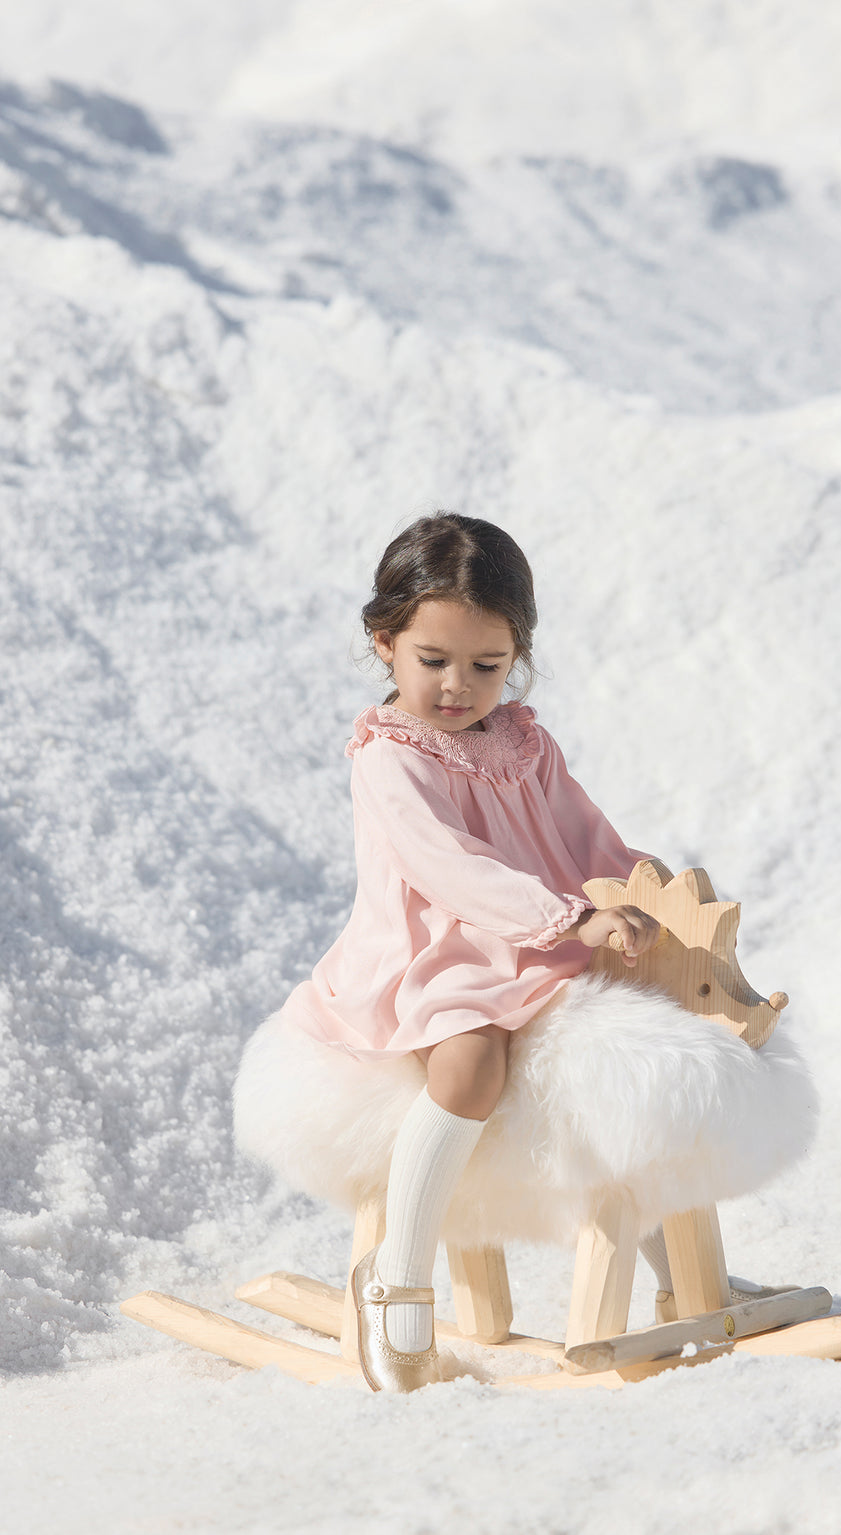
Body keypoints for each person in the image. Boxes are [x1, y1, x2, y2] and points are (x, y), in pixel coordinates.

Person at [276, 512, 661, 1391]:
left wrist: (640, 884)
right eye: (434, 661)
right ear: (385, 643)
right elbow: (451, 869)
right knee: (472, 1062)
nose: (460, 686)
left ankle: (673, 1266)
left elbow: (579, 831)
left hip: (534, 934)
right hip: (434, 953)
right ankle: (396, 1278)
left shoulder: (522, 741)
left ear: (517, 652)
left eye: (487, 666)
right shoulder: (390, 759)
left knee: (632, 1030)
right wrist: (566, 922)